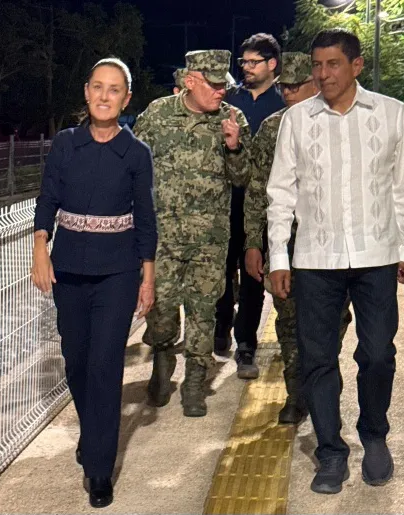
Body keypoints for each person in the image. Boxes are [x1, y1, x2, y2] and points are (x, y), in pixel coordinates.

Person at [267, 29, 404, 494]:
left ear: (356, 66)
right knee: (317, 358)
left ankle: (374, 435)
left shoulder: (390, 113)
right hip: (316, 258)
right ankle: (331, 452)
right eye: (317, 65)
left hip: (377, 255)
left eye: (332, 64)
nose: (322, 74)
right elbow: (280, 194)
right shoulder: (297, 120)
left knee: (377, 354)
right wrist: (279, 257)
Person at [32, 57, 157, 508]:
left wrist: (147, 276)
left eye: (114, 89)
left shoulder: (137, 154)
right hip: (69, 269)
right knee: (77, 360)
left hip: (117, 273)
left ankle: (99, 468)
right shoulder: (66, 144)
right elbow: (47, 198)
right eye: (98, 87)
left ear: (126, 99)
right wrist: (40, 247)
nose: (105, 96)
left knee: (105, 365)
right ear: (86, 92)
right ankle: (93, 432)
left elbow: (146, 218)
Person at [133, 50, 251, 417]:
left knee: (203, 311)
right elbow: (134, 165)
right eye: (213, 85)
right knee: (162, 309)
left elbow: (242, 178)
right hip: (164, 238)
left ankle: (195, 381)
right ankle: (162, 360)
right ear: (190, 81)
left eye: (223, 84)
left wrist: (234, 146)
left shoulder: (233, 119)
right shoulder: (157, 114)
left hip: (209, 240)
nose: (221, 91)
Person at [244, 52, 353, 425]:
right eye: (285, 86)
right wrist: (253, 243)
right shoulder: (272, 128)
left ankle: (321, 380)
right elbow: (257, 191)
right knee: (290, 321)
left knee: (331, 321)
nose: (289, 93)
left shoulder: (341, 122)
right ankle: (297, 395)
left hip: (333, 245)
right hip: (286, 246)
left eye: (297, 85)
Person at [215, 33, 285, 380]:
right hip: (227, 200)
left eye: (253, 62)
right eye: (243, 62)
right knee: (220, 269)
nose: (245, 68)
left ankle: (246, 343)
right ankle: (221, 324)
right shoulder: (229, 101)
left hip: (264, 205)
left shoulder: (284, 104)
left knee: (253, 274)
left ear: (272, 64)